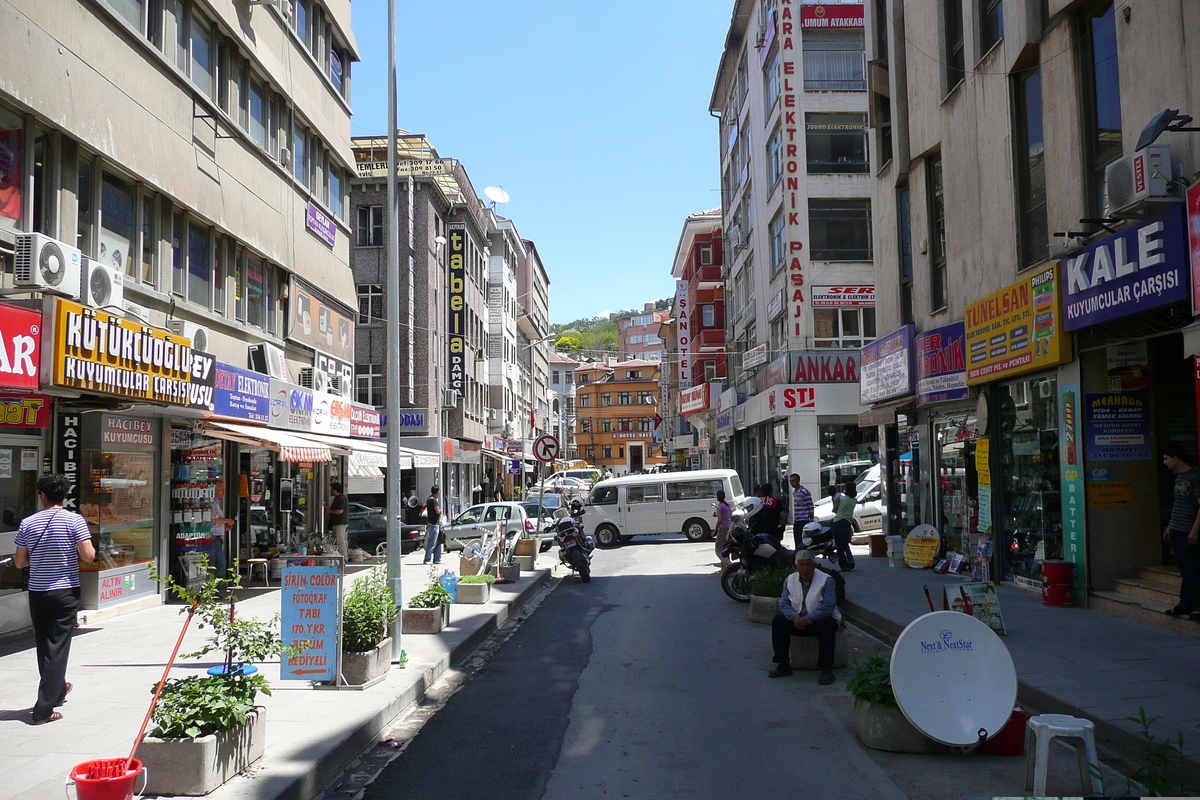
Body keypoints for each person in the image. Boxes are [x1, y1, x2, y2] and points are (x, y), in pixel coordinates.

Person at [13, 474, 96, 724]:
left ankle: (57, 689)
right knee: (58, 646)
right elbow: (89, 555)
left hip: (38, 592)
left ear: (42, 496)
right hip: (65, 591)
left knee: (45, 644)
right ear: (64, 495)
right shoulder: (74, 521)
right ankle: (43, 709)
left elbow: (19, 562)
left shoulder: (28, 523)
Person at [768, 550, 840, 684]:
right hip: (798, 620)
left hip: (818, 621)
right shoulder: (790, 580)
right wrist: (795, 617)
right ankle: (783, 665)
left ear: (814, 565)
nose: (805, 569)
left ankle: (826, 669)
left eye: (808, 565)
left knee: (826, 623)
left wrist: (808, 619)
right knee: (778, 621)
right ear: (796, 566)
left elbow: (828, 607)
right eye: (801, 565)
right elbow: (783, 603)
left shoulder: (826, 580)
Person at [1161, 444, 1200, 620]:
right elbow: (1178, 504)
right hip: (1177, 528)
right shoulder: (1178, 478)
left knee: (1193, 569)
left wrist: (1194, 530)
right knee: (1185, 569)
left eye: (1166, 458)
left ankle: (1196, 605)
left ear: (1176, 459)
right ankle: (1185, 604)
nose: (1164, 462)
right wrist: (1170, 526)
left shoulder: (1195, 476)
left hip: (1189, 530)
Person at [209, 480, 235, 580]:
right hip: (211, 538)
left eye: (224, 489)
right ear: (214, 490)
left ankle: (213, 588)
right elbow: (213, 519)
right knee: (219, 564)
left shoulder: (218, 502)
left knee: (218, 564)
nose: (224, 491)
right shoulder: (211, 502)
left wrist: (224, 526)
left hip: (217, 537)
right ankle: (213, 588)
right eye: (221, 489)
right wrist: (227, 520)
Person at [831, 479, 857, 570]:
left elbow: (834, 509)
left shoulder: (840, 499)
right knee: (845, 543)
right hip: (847, 523)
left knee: (839, 546)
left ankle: (844, 565)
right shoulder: (854, 500)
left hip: (838, 522)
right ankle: (851, 560)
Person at [789, 473, 814, 551]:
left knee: (803, 542)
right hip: (796, 520)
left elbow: (810, 505)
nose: (791, 483)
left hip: (803, 520)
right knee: (797, 540)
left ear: (798, 481)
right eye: (790, 481)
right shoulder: (795, 492)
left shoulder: (804, 492)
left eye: (793, 481)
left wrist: (811, 518)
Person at [324, 481, 348, 557]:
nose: (331, 491)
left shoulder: (341, 499)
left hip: (340, 523)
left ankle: (343, 557)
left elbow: (339, 511)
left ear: (335, 490)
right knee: (338, 540)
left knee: (340, 541)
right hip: (337, 523)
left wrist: (330, 511)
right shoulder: (338, 498)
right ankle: (340, 556)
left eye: (332, 489)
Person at [423, 486, 442, 565]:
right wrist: (441, 511)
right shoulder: (433, 500)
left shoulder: (429, 499)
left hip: (434, 523)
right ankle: (427, 559)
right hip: (434, 524)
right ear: (437, 492)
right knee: (432, 542)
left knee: (438, 541)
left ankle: (437, 559)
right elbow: (437, 511)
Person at [714, 489, 733, 569]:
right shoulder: (727, 505)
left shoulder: (720, 506)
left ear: (717, 497)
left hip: (723, 528)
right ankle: (725, 572)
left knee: (718, 549)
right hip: (729, 527)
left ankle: (729, 565)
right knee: (725, 549)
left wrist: (715, 531)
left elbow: (720, 520)